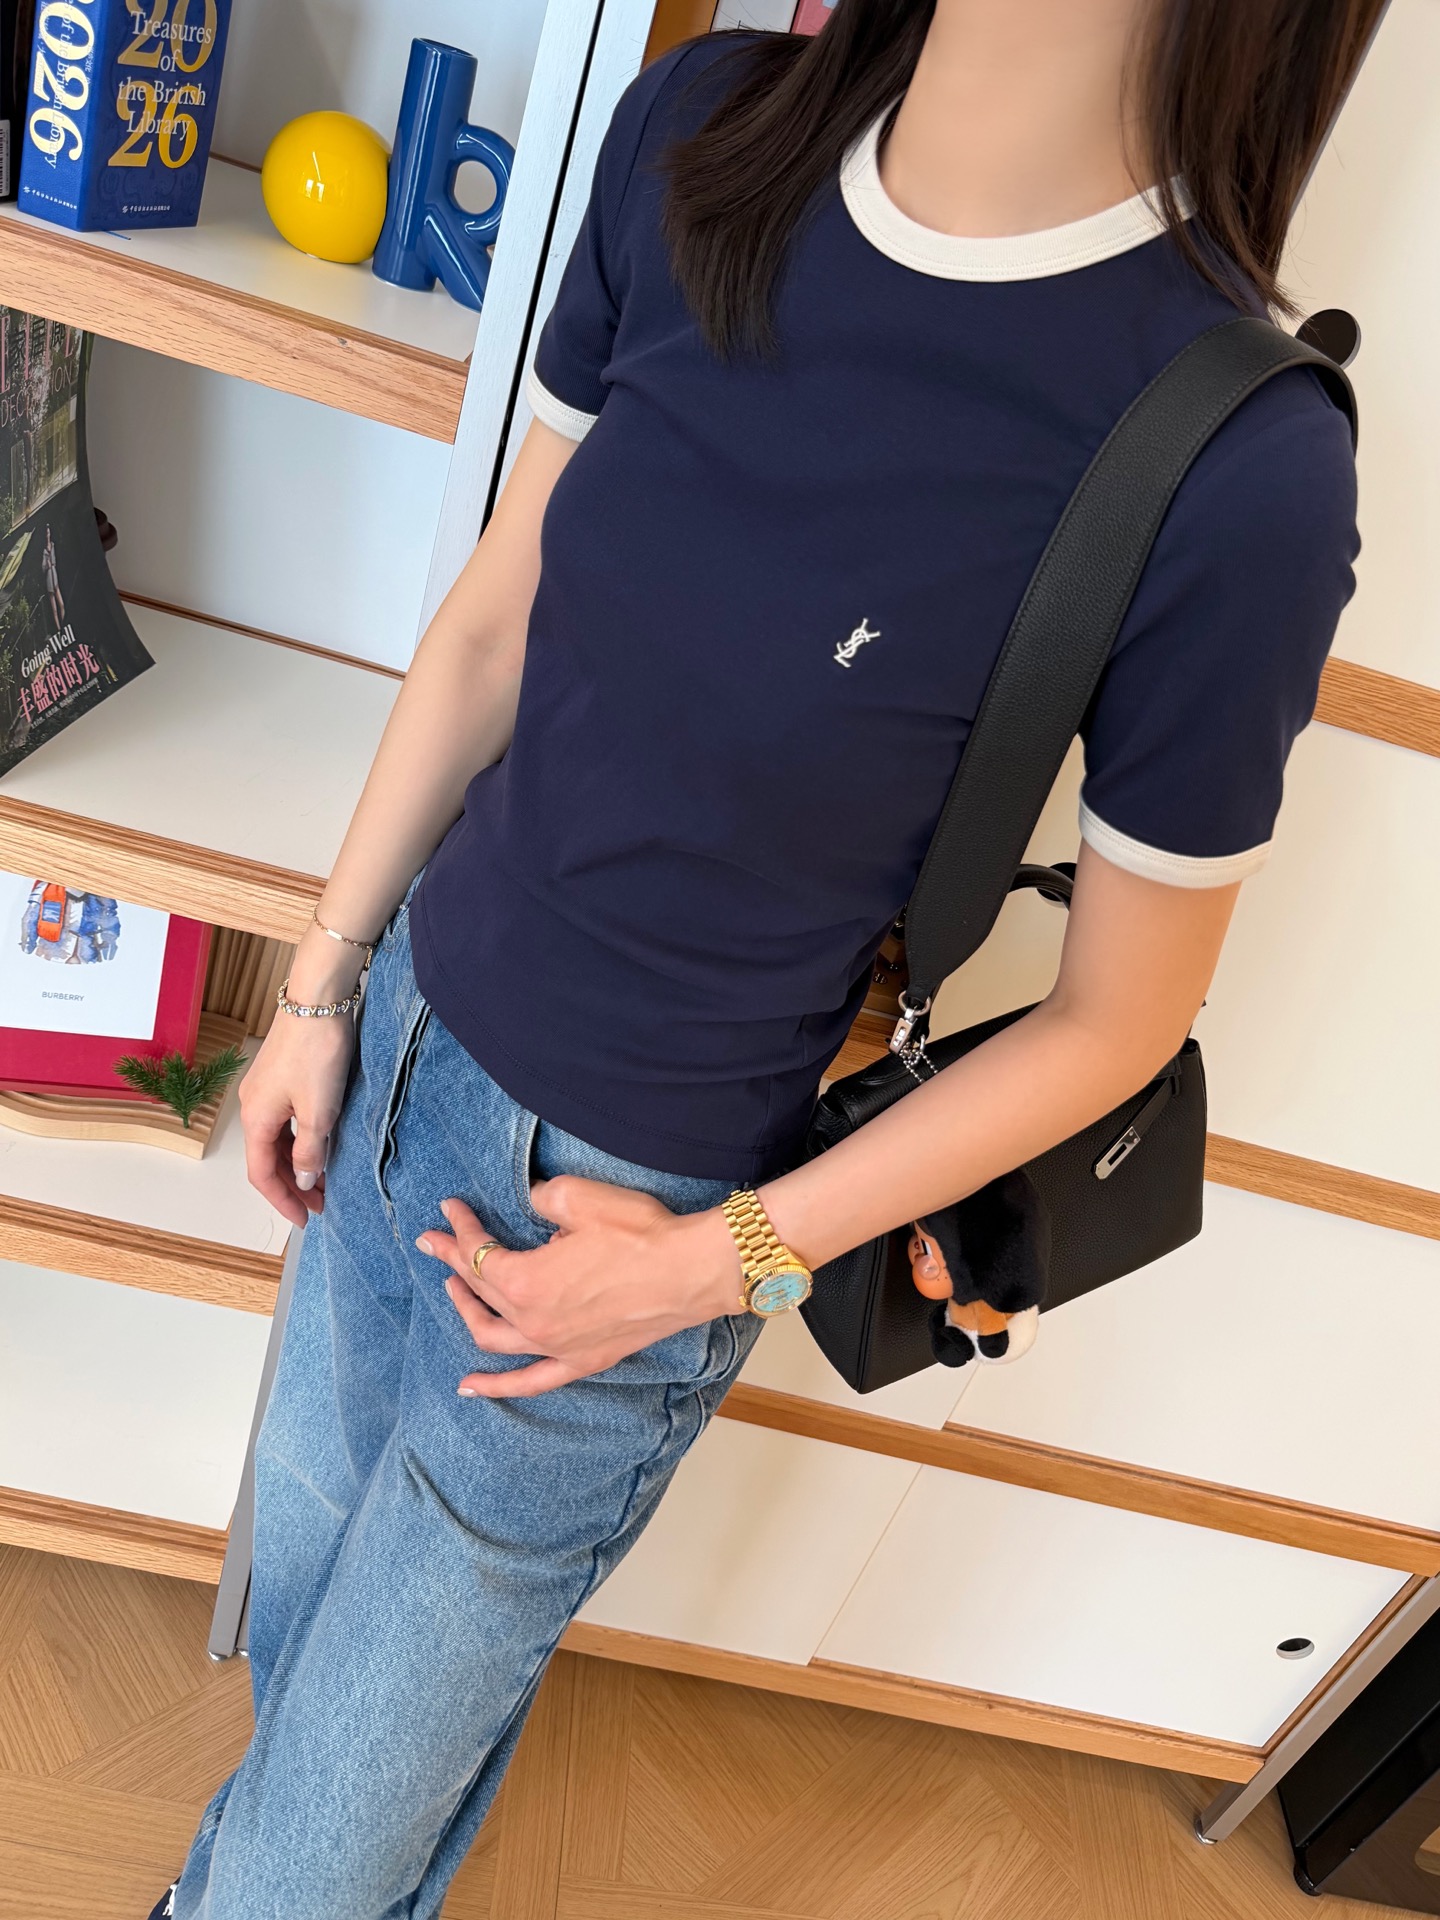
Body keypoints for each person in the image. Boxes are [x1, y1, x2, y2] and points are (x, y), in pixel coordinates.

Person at [155, 0, 1371, 1911]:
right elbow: (494, 618)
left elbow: (1120, 1018)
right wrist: (322, 983)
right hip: (399, 1047)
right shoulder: (702, 129)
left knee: (306, 1859)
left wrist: (708, 1268)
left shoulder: (1238, 458)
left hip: (625, 1228)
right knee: (301, 1671)